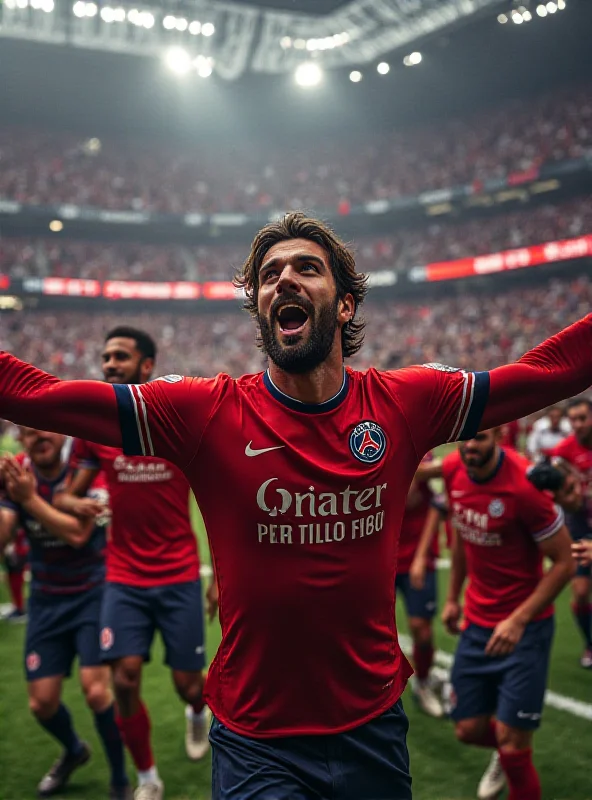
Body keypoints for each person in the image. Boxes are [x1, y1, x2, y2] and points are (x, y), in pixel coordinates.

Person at [0, 212, 590, 799]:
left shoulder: (407, 401)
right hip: (257, 739)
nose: (284, 279)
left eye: (307, 268)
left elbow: (545, 373)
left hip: (373, 726)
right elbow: (41, 397)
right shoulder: (205, 413)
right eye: (269, 273)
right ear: (259, 307)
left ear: (345, 305)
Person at [55, 326, 213, 800]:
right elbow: (68, 493)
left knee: (189, 686)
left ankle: (196, 713)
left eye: (120, 357)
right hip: (122, 577)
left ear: (146, 366)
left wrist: (219, 576)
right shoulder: (94, 430)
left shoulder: (174, 421)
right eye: (105, 357)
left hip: (179, 574)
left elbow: (216, 499)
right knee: (123, 679)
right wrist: (72, 504)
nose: (108, 364)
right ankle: (147, 777)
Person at [440, 428, 574, 800]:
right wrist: (453, 597)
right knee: (466, 728)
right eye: (465, 439)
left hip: (525, 630)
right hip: (477, 623)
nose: (470, 447)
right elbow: (464, 535)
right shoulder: (453, 470)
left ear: (499, 435)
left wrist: (518, 620)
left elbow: (563, 563)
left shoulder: (524, 486)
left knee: (514, 748)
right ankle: (504, 747)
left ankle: (510, 749)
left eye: (480, 438)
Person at [0, 428, 130, 799]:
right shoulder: (16, 474)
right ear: (20, 440)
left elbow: (78, 533)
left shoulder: (86, 467)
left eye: (42, 431)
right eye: (26, 433)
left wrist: (29, 500)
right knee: (41, 703)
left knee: (95, 691)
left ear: (60, 433)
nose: (36, 438)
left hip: (94, 591)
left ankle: (120, 779)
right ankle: (75, 750)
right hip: (45, 598)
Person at [395, 456, 444, 717]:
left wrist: (421, 556)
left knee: (421, 631)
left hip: (417, 558)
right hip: (381, 560)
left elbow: (438, 504)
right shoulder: (370, 454)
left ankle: (423, 683)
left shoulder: (423, 457)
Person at [552, 397, 592, 668]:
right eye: (573, 419)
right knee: (579, 592)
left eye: (582, 418)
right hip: (579, 527)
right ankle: (590, 644)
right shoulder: (563, 452)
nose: (577, 424)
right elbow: (557, 493)